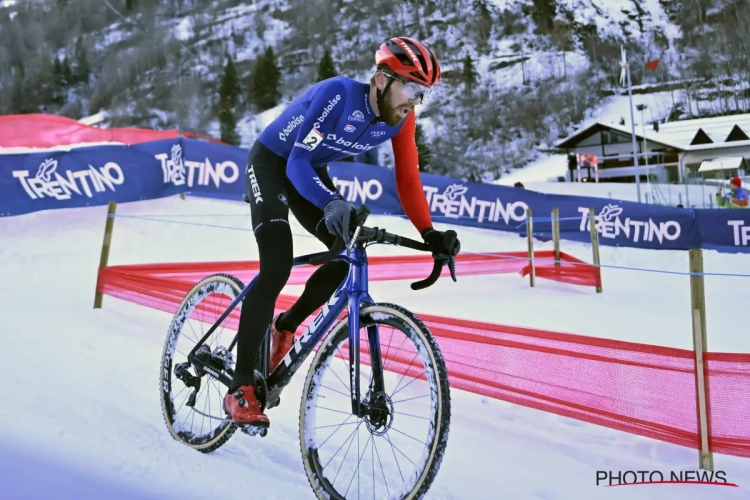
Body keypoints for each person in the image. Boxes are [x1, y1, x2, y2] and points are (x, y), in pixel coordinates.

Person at [225, 37, 461, 426]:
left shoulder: (401, 119)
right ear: (382, 80)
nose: (416, 102)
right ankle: (240, 385)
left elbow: (406, 177)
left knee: (343, 256)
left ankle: (283, 329)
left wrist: (429, 232)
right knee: (277, 264)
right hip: (273, 164)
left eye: (424, 94)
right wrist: (332, 201)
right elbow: (297, 159)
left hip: (309, 173)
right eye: (413, 88)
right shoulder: (338, 94)